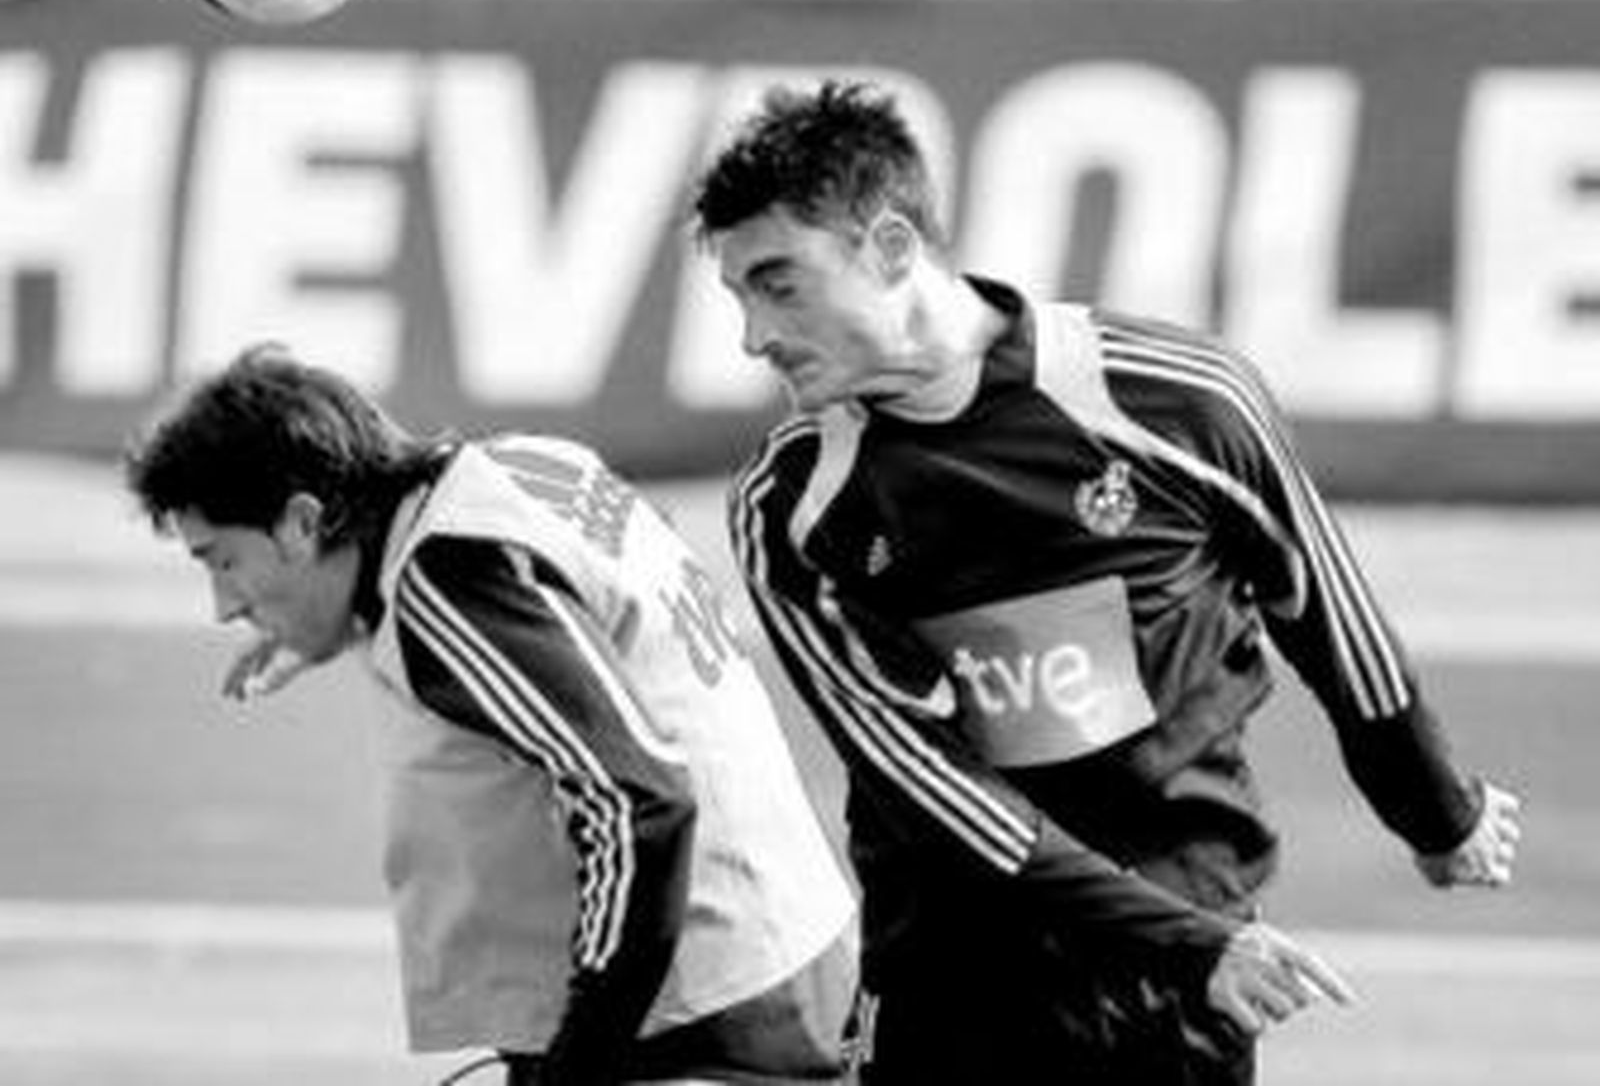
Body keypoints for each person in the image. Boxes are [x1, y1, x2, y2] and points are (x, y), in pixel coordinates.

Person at [687, 79, 1522, 1085]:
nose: (751, 334)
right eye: (736, 294)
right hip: (957, 983)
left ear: (894, 247)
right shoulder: (794, 505)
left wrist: (1435, 810)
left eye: (778, 283)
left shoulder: (1175, 398)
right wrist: (1187, 938)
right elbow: (932, 787)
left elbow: (1327, 613)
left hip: (1179, 987)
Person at [122, 344, 858, 1086]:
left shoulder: (448, 581)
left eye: (222, 560)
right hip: (779, 956)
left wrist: (578, 1065)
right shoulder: (510, 472)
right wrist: (340, 622)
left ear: (302, 523)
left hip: (695, 1018)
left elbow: (638, 802)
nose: (224, 604)